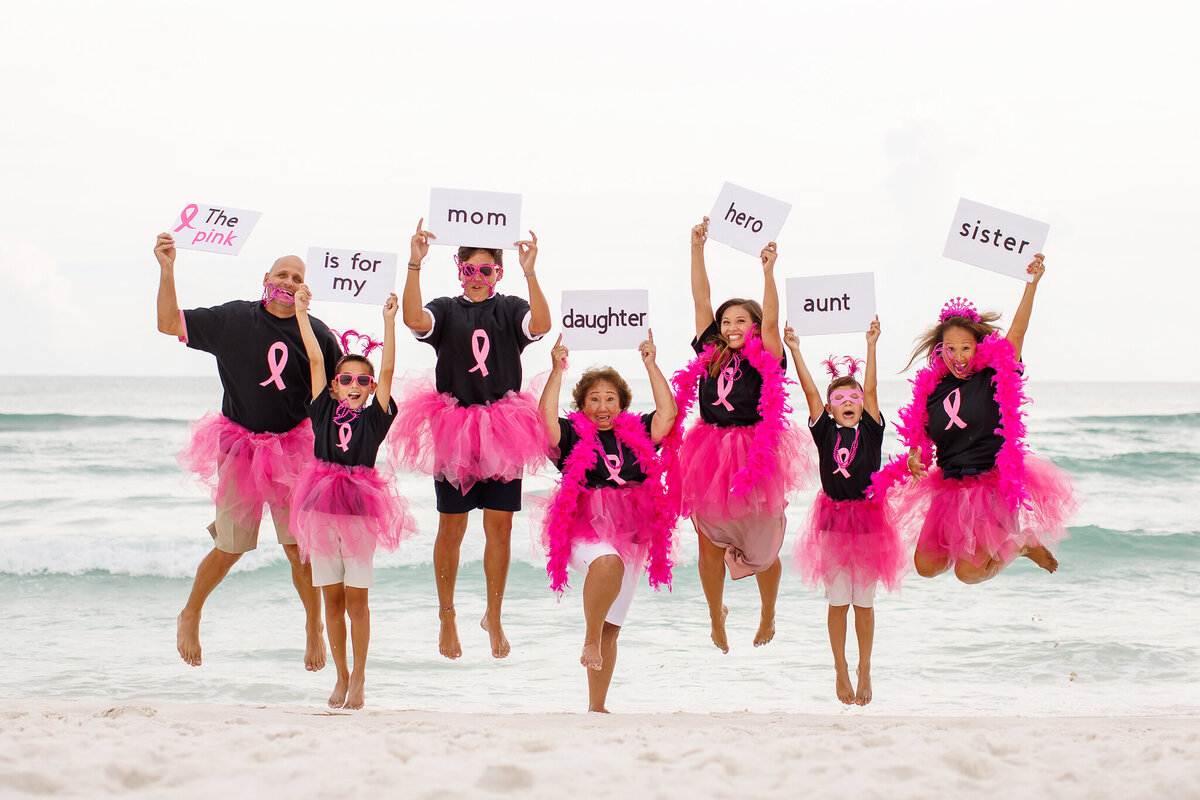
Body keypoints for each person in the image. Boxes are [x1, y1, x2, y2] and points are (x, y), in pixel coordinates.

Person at [156, 232, 341, 670]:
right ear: (266, 279)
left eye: (297, 277)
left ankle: (313, 624)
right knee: (232, 546)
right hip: (241, 446)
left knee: (299, 548)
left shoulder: (316, 332)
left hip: (293, 448)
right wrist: (167, 268)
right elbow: (169, 323)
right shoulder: (234, 318)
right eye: (282, 274)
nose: (289, 281)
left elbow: (340, 393)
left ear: (305, 288)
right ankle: (191, 612)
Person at [393, 220, 552, 659]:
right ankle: (447, 615)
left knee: (499, 527)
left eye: (486, 270)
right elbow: (413, 319)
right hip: (455, 427)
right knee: (452, 526)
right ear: (459, 270)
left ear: (498, 273)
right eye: (470, 269)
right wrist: (414, 263)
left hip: (504, 428)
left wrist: (531, 271)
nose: (477, 277)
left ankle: (494, 615)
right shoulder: (445, 309)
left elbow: (541, 323)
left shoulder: (511, 306)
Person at [878, 255, 1077, 584]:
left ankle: (1022, 545)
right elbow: (921, 441)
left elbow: (1018, 331)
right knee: (926, 567)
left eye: (966, 348)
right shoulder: (933, 390)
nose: (958, 357)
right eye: (950, 349)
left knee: (968, 573)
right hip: (949, 488)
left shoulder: (993, 375)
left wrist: (1032, 284)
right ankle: (993, 547)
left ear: (979, 345)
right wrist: (915, 458)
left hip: (990, 488)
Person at [665, 217, 810, 653]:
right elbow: (700, 297)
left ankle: (768, 612)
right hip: (708, 453)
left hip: (756, 455)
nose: (731, 326)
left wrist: (767, 272)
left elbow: (772, 323)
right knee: (709, 545)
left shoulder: (767, 356)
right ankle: (716, 613)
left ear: (754, 326)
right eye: (727, 321)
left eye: (741, 321)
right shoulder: (709, 353)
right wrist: (696, 249)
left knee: (765, 549)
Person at [538, 332, 678, 712]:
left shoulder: (639, 436)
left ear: (622, 404)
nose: (602, 406)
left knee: (612, 627)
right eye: (594, 399)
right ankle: (588, 638)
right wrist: (556, 371)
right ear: (582, 404)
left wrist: (650, 363)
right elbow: (545, 418)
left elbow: (669, 413)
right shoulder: (570, 436)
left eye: (610, 399)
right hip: (585, 529)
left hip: (632, 534)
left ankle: (596, 707)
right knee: (606, 563)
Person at [291, 289, 418, 709]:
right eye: (346, 378)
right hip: (321, 509)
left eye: (363, 380)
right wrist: (301, 312)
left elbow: (389, 368)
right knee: (332, 598)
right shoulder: (322, 409)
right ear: (333, 386)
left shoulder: (376, 416)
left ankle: (361, 676)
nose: (355, 385)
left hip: (359, 510)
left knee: (357, 598)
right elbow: (313, 359)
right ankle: (341, 676)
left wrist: (389, 321)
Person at [786, 317, 907, 706]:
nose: (850, 403)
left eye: (853, 398)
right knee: (839, 602)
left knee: (864, 604)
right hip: (834, 522)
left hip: (870, 521)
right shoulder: (824, 431)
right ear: (830, 409)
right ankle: (840, 666)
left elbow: (870, 388)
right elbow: (808, 390)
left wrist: (871, 343)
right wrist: (795, 350)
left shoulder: (872, 430)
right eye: (840, 400)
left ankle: (865, 666)